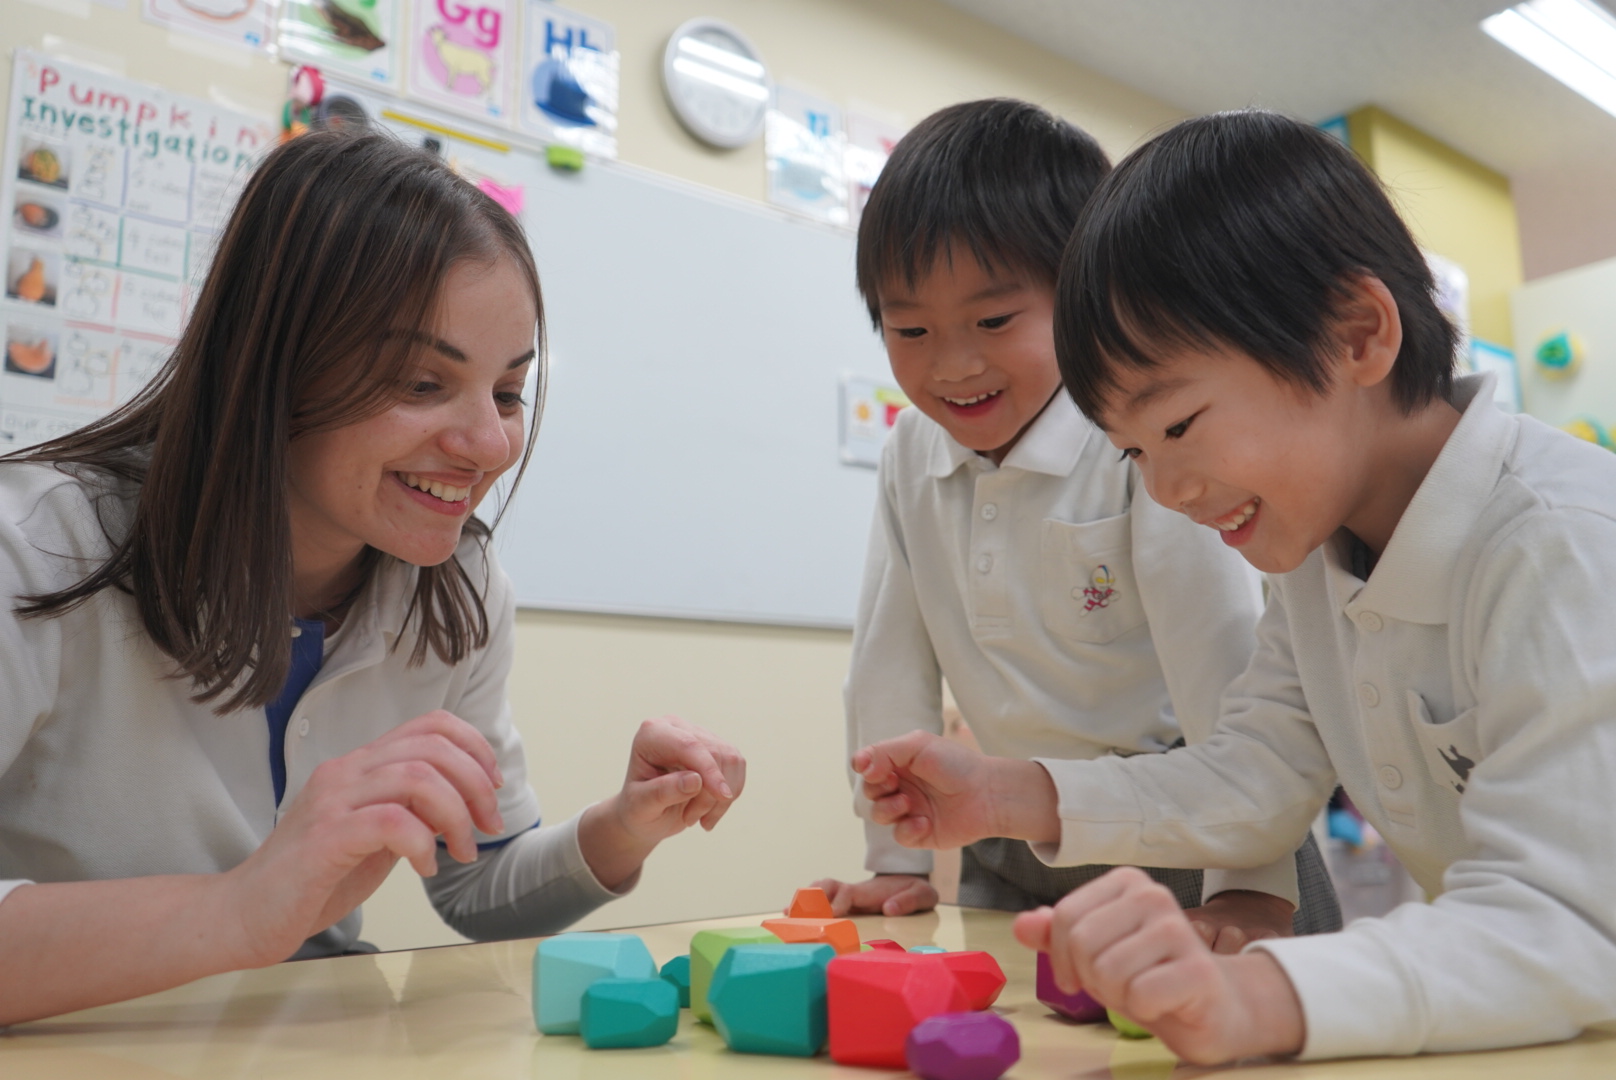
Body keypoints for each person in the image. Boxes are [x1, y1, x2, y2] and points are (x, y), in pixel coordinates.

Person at [854, 109, 1616, 1063]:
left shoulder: (1565, 546)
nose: (1166, 492)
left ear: (1356, 334)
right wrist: (1008, 795)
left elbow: (1571, 921)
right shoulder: (1320, 558)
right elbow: (1252, 775)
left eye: (1177, 429)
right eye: (1130, 453)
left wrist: (1259, 995)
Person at [0, 129, 745, 1025]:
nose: (489, 444)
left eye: (508, 393)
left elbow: (475, 887)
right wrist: (237, 910)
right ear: (272, 363)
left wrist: (624, 826)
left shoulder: (459, 586)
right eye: (423, 383)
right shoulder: (36, 545)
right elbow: (247, 917)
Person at [810, 99, 1339, 945]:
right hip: (1012, 838)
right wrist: (895, 860)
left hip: (1192, 839)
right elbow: (887, 660)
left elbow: (1223, 663)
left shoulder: (1134, 437)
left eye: (993, 321)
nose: (954, 364)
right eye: (910, 328)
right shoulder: (913, 451)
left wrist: (1249, 881)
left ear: (1082, 297)